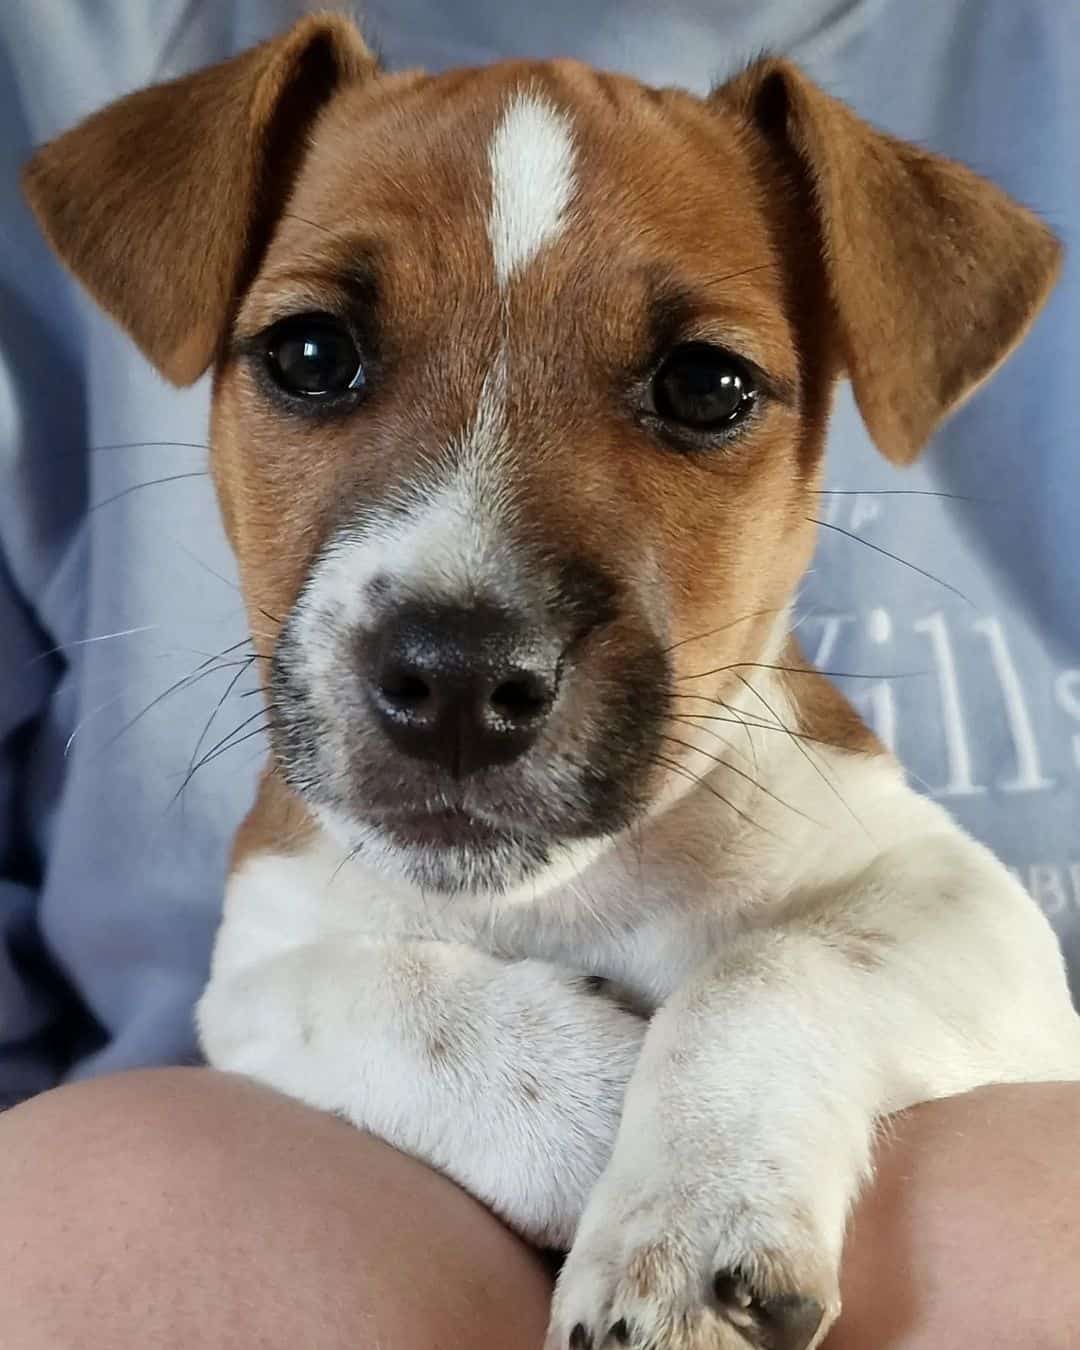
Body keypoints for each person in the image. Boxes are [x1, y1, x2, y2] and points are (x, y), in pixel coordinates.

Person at [1, 2, 1077, 1345]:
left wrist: (760, 1043)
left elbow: (1000, 983)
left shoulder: (846, 842)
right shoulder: (109, 43)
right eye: (316, 357)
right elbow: (268, 1001)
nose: (464, 635)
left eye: (699, 391)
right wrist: (568, 1103)